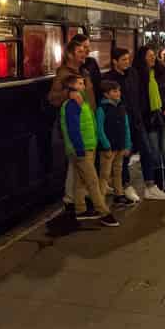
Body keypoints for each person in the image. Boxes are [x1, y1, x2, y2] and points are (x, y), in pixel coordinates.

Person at [59, 74, 120, 227]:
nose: (83, 86)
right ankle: (104, 212)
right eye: (80, 84)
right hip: (82, 149)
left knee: (80, 181)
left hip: (87, 146)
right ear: (72, 87)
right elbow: (73, 129)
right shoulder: (73, 105)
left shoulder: (80, 102)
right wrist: (79, 149)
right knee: (92, 181)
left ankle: (80, 210)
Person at [49, 38, 98, 218]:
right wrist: (69, 93)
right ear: (70, 54)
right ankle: (73, 201)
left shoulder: (84, 71)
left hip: (87, 122)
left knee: (77, 164)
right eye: (81, 50)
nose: (85, 53)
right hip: (75, 125)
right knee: (77, 163)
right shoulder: (64, 74)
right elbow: (53, 98)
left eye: (86, 50)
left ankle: (77, 200)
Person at [133, 45, 165, 198]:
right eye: (149, 55)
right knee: (154, 152)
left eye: (154, 55)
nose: (152, 58)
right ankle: (158, 186)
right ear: (142, 58)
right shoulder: (138, 75)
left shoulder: (163, 70)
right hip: (150, 118)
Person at [103, 48, 143, 203]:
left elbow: (137, 96)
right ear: (115, 61)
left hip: (133, 121)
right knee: (117, 164)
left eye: (128, 59)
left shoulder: (132, 74)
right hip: (118, 127)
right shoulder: (109, 79)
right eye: (124, 59)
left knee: (131, 156)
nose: (127, 62)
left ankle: (123, 189)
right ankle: (122, 189)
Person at [96, 80, 137, 207]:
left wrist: (127, 144)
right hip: (108, 148)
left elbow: (126, 126)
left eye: (118, 90)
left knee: (118, 171)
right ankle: (100, 201)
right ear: (106, 94)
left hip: (120, 146)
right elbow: (99, 128)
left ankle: (119, 195)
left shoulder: (121, 107)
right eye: (114, 91)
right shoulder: (102, 109)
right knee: (105, 174)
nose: (118, 93)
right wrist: (106, 145)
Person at [71, 33, 103, 107]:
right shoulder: (70, 67)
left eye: (89, 46)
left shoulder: (92, 62)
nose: (89, 50)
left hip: (93, 104)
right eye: (85, 47)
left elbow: (98, 84)